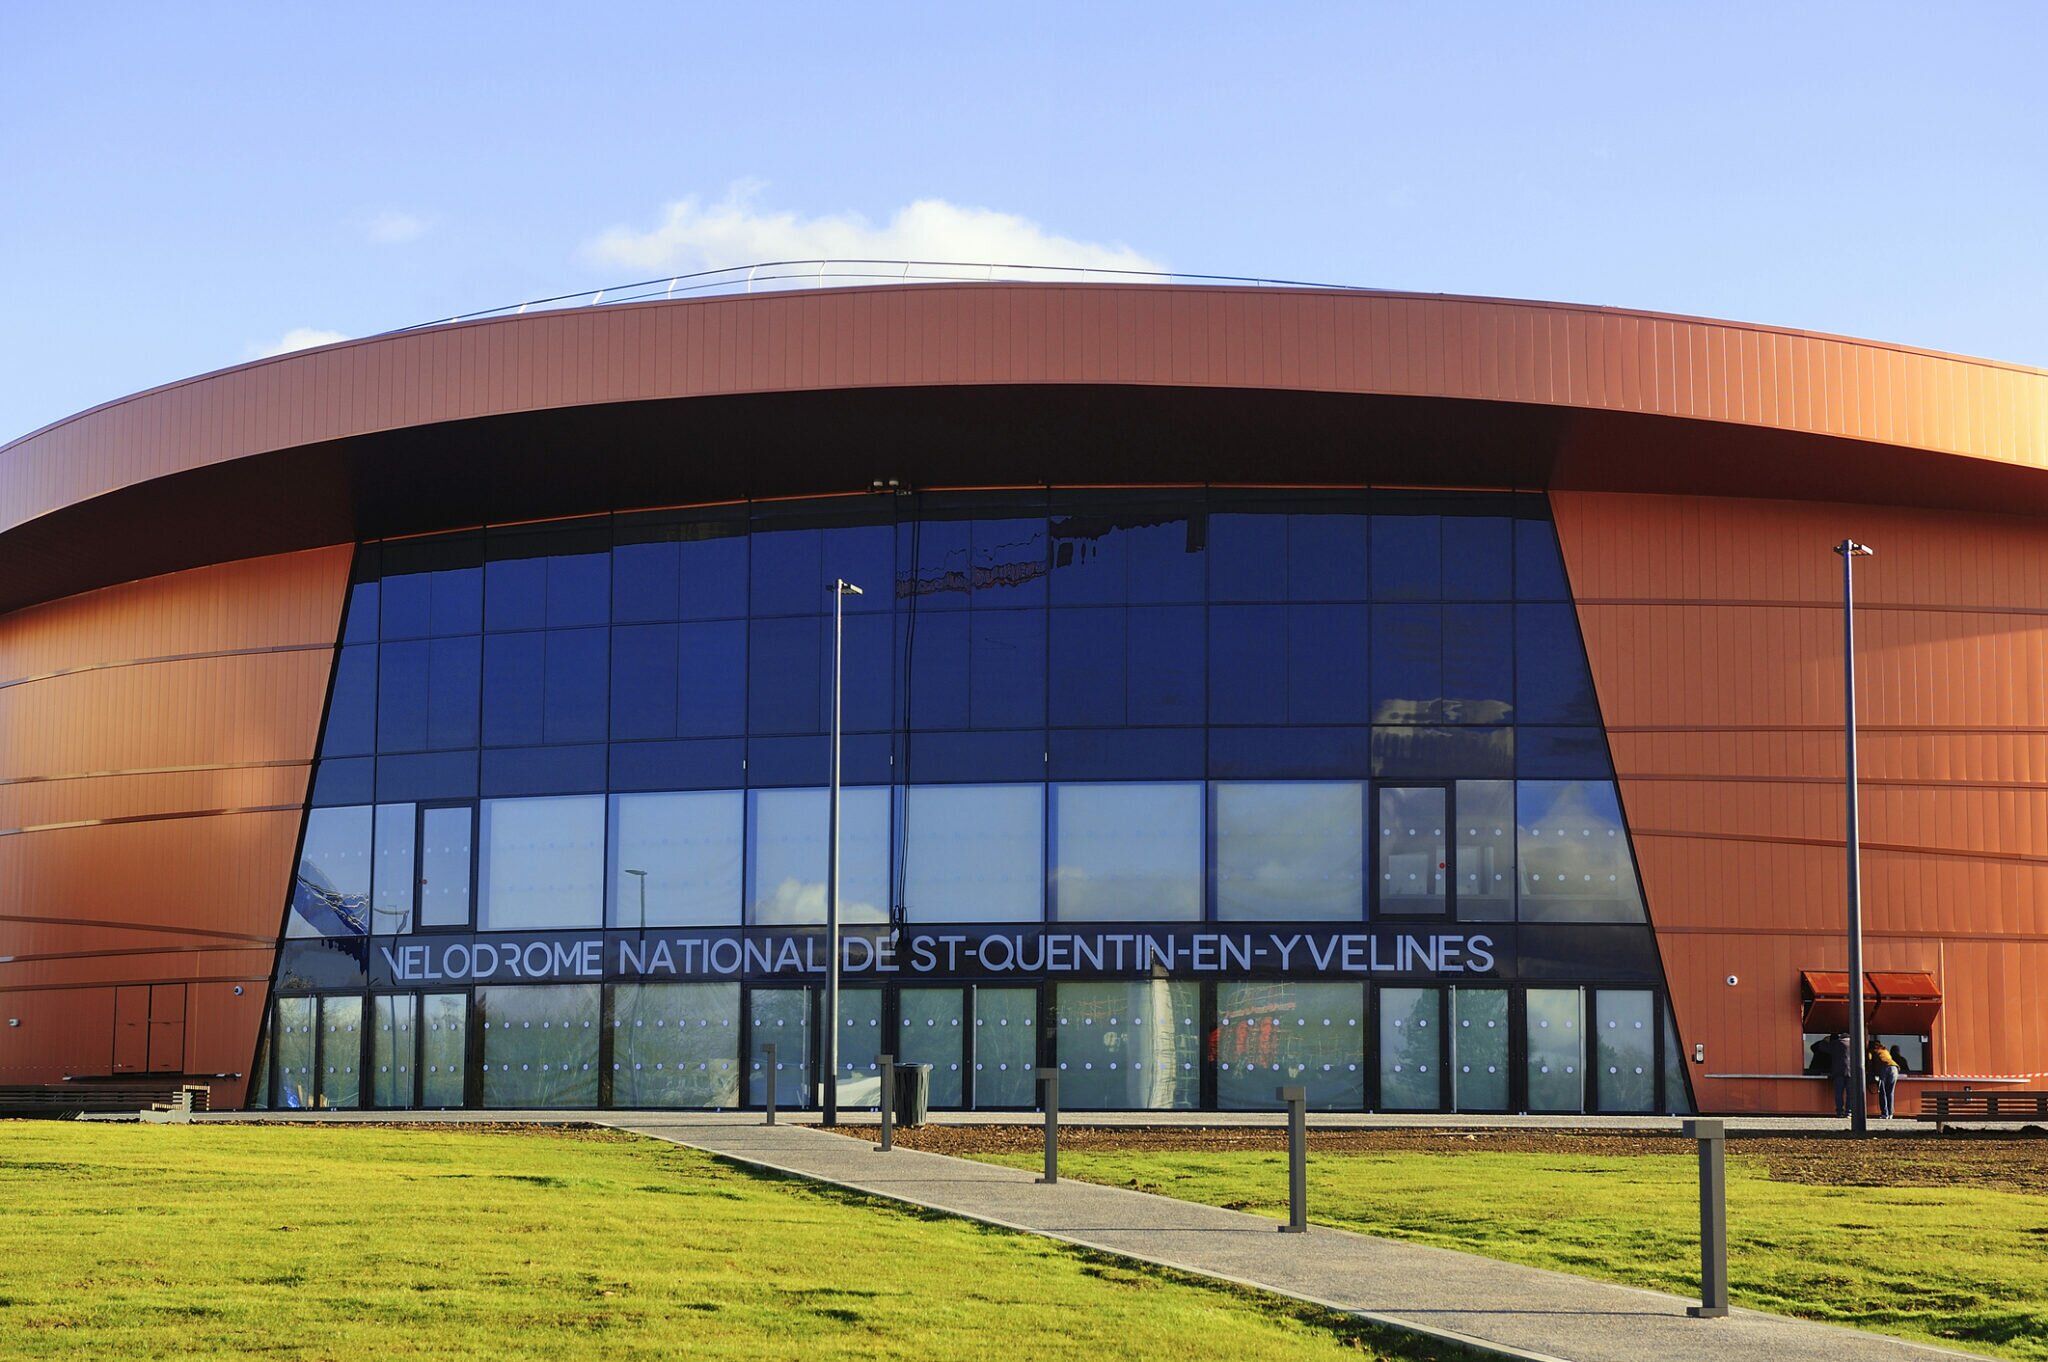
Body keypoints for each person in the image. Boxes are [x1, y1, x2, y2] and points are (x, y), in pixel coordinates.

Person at [1869, 1037, 1902, 1119]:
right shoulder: (1885, 1050)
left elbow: (1869, 1062)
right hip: (1894, 1068)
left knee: (1882, 1092)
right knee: (1890, 1092)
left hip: (1884, 1068)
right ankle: (1890, 1114)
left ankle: (1884, 1113)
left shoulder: (1872, 1051)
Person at [1824, 1032, 1852, 1117]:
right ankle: (1849, 1111)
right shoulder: (1855, 1045)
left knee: (1838, 1093)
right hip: (1851, 1072)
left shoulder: (1835, 1044)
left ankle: (1839, 1111)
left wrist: (1825, 1040)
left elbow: (1821, 1048)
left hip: (1838, 1072)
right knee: (1850, 1093)